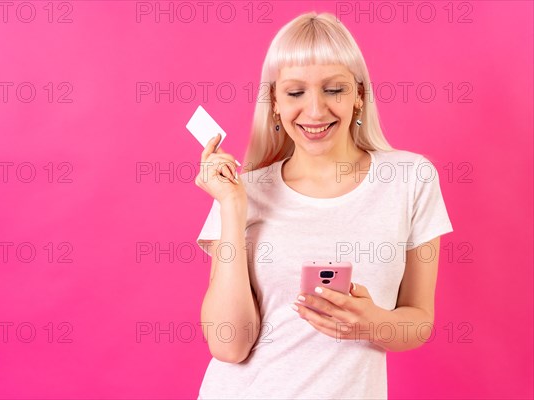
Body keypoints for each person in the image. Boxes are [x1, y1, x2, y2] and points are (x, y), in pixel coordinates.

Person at [193, 11, 453, 400]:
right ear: (275, 103)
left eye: (334, 90)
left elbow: (418, 321)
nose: (315, 111)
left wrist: (371, 323)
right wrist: (232, 206)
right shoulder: (242, 191)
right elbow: (229, 345)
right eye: (296, 92)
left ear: (359, 96)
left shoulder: (410, 179)